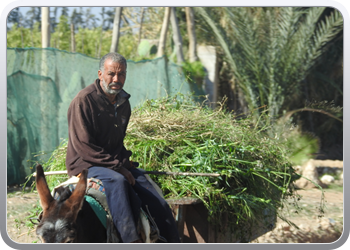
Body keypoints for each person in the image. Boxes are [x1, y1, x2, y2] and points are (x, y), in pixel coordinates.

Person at [65, 52, 180, 243]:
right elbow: (84, 147)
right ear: (100, 74)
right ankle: (130, 241)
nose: (116, 79)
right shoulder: (83, 101)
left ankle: (171, 241)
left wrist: (125, 164)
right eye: (111, 74)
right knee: (118, 182)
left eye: (122, 74)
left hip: (113, 161)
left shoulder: (123, 103)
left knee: (152, 192)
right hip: (86, 163)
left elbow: (117, 143)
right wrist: (117, 167)